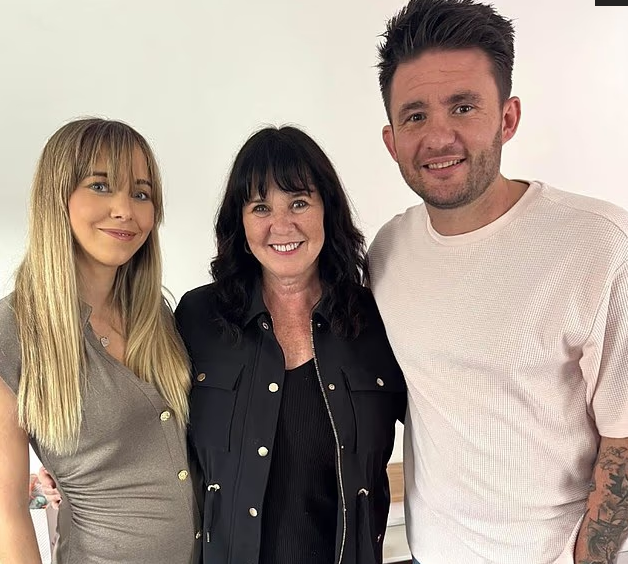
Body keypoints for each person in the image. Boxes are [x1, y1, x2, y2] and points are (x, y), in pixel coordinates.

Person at [368, 1, 628, 563]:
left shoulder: (601, 244)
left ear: (508, 119)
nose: (438, 137)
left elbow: (625, 434)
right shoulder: (387, 252)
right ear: (391, 141)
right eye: (415, 116)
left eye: (463, 107)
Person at [174, 125, 406, 564]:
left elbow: (442, 427)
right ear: (240, 222)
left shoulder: (377, 320)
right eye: (261, 207)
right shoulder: (198, 318)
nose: (281, 226)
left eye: (299, 202)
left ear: (327, 210)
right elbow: (152, 424)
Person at [0, 118, 201, 564]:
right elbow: (6, 516)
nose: (125, 209)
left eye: (141, 194)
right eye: (101, 186)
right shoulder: (13, 332)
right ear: (57, 197)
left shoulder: (156, 315)